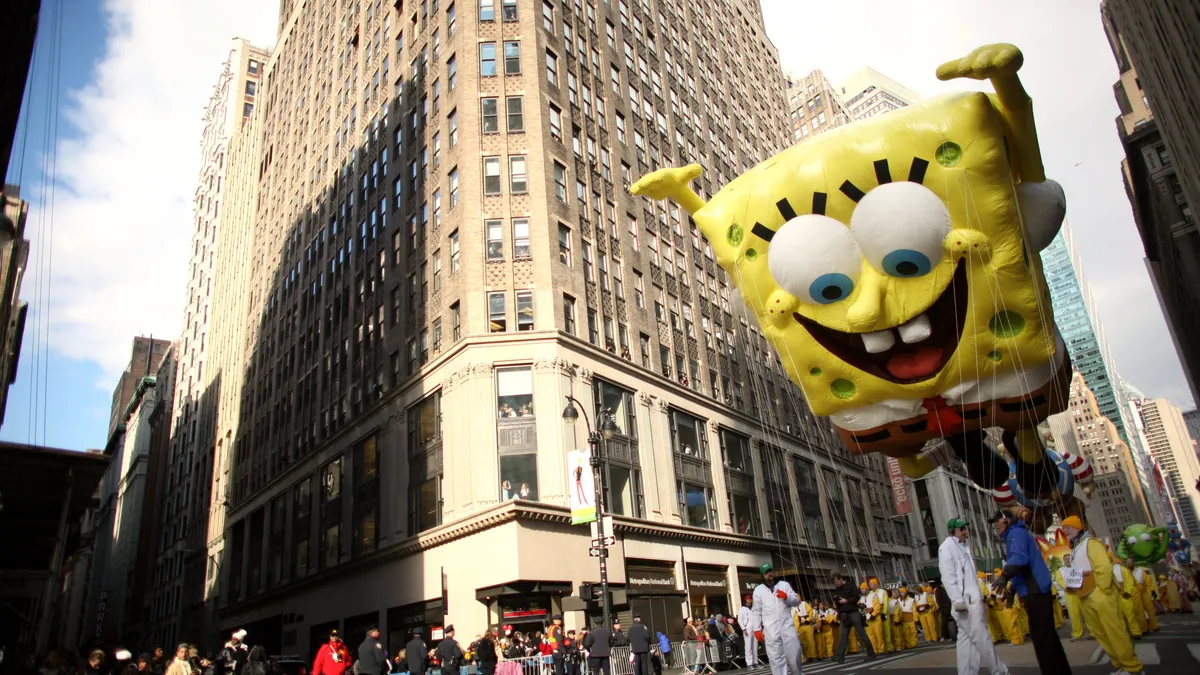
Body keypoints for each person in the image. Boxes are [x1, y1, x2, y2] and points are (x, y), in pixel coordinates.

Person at [989, 512, 1070, 673]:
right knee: (1046, 635)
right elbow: (1022, 569)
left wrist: (1004, 575)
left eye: (997, 520)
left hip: (1035, 590)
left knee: (1042, 637)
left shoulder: (1016, 534)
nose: (995, 525)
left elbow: (1020, 559)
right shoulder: (1016, 534)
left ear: (1008, 520)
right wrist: (1012, 590)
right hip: (1034, 589)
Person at [1060, 516, 1142, 675]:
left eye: (1068, 527)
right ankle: (1121, 666)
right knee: (1101, 634)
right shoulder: (1075, 548)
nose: (1065, 530)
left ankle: (1133, 668)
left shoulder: (1091, 543)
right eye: (1063, 528)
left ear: (1078, 528)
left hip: (1099, 595)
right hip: (1085, 597)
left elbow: (1104, 567)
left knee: (1114, 631)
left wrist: (1101, 590)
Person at [939, 517, 1009, 675]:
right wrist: (957, 600)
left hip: (971, 600)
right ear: (952, 531)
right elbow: (948, 577)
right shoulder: (947, 548)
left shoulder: (963, 546)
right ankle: (1000, 672)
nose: (965, 531)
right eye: (961, 529)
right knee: (982, 639)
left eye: (965, 528)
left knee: (967, 641)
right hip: (966, 603)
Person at [750, 563, 803, 675]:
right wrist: (756, 628)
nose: (769, 574)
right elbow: (756, 611)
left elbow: (796, 601)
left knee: (795, 653)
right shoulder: (759, 590)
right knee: (776, 658)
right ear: (763, 575)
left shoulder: (784, 585)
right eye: (766, 572)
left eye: (770, 571)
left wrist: (786, 596)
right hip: (771, 629)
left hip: (787, 626)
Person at [831, 571, 875, 663]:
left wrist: (846, 601)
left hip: (853, 612)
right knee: (843, 636)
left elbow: (856, 597)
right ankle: (840, 656)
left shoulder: (850, 585)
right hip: (844, 614)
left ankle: (871, 654)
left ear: (841, 579)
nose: (837, 584)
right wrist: (836, 604)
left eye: (837, 582)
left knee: (862, 634)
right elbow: (837, 600)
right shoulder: (837, 589)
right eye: (835, 583)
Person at [1115, 559, 1144, 638]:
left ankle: (1136, 633)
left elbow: (1129, 581)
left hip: (1125, 597)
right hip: (1115, 598)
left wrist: (1127, 592)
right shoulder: (1107, 570)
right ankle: (1125, 635)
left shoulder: (1123, 570)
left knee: (1130, 616)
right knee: (1120, 618)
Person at [791, 592, 817, 661]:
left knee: (810, 641)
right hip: (800, 626)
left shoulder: (804, 604)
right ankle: (807, 656)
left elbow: (811, 612)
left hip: (807, 625)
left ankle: (813, 656)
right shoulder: (793, 608)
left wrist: (807, 619)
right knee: (803, 642)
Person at [1133, 564, 1159, 631]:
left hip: (1143, 592)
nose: (1129, 563)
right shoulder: (1126, 571)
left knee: (1150, 609)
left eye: (1130, 562)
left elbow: (1148, 581)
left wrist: (1152, 590)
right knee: (1139, 612)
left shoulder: (1140, 571)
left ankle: (1154, 626)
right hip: (1134, 593)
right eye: (1127, 562)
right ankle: (1144, 628)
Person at [862, 579, 885, 655]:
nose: (862, 590)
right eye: (861, 589)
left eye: (863, 589)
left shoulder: (873, 595)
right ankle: (874, 650)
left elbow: (877, 606)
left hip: (875, 618)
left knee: (878, 634)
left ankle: (880, 649)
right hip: (868, 619)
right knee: (870, 636)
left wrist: (874, 614)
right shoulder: (862, 598)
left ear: (866, 589)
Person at [736, 595, 760, 667]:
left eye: (750, 600)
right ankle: (749, 663)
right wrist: (743, 629)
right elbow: (740, 620)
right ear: (746, 601)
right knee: (748, 647)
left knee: (755, 647)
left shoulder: (753, 609)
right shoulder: (742, 609)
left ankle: (755, 662)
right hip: (747, 629)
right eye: (749, 600)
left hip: (755, 629)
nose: (750, 601)